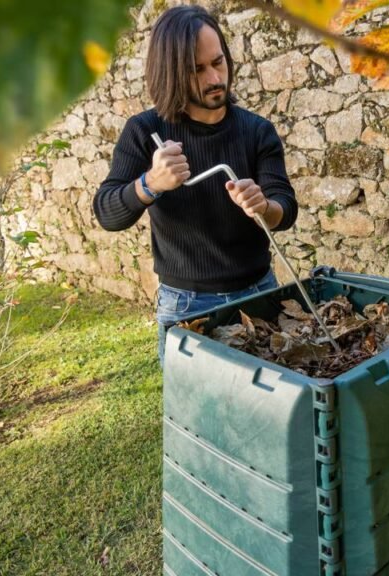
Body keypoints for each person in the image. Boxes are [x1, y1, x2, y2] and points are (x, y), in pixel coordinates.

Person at [93, 5, 297, 366]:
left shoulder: (256, 131)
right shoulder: (144, 133)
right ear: (171, 73)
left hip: (259, 293)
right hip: (188, 305)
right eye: (197, 70)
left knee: (269, 413)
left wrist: (264, 207)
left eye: (219, 62)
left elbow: (285, 208)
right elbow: (107, 212)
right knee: (199, 417)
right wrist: (150, 183)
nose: (215, 78)